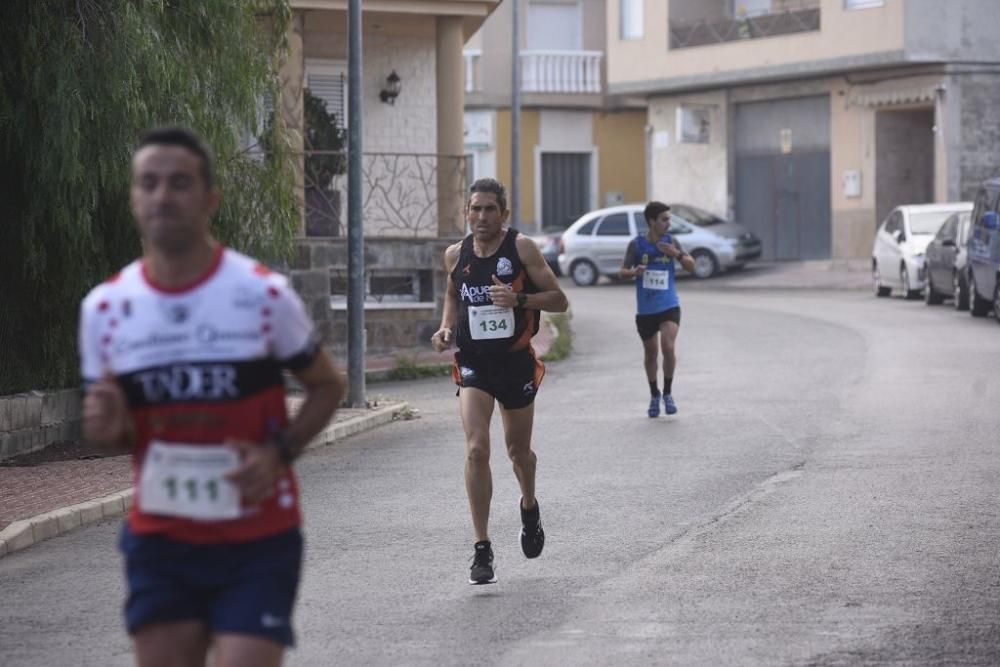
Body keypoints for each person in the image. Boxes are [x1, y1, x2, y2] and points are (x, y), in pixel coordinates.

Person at [79, 127, 344, 667]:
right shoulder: (106, 309)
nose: (161, 196)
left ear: (209, 199)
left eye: (179, 183)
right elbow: (122, 433)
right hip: (162, 541)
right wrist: (108, 430)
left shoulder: (261, 294)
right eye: (148, 184)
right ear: (133, 198)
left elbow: (327, 385)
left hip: (257, 535)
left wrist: (280, 452)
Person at [430, 177, 568, 585]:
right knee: (476, 449)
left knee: (518, 452)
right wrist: (445, 329)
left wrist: (519, 299)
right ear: (467, 212)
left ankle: (529, 505)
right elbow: (453, 295)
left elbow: (559, 299)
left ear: (504, 214)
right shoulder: (455, 255)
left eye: (491, 209)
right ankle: (482, 548)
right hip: (473, 363)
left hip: (514, 364)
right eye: (475, 209)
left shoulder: (520, 248)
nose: (482, 216)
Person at [619, 201, 695, 418]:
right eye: (664, 219)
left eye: (669, 219)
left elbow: (692, 266)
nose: (668, 223)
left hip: (669, 304)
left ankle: (668, 394)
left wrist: (676, 254)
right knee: (651, 353)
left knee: (668, 347)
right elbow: (621, 271)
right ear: (652, 221)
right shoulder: (637, 245)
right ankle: (654, 395)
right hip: (646, 309)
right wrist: (634, 272)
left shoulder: (671, 241)